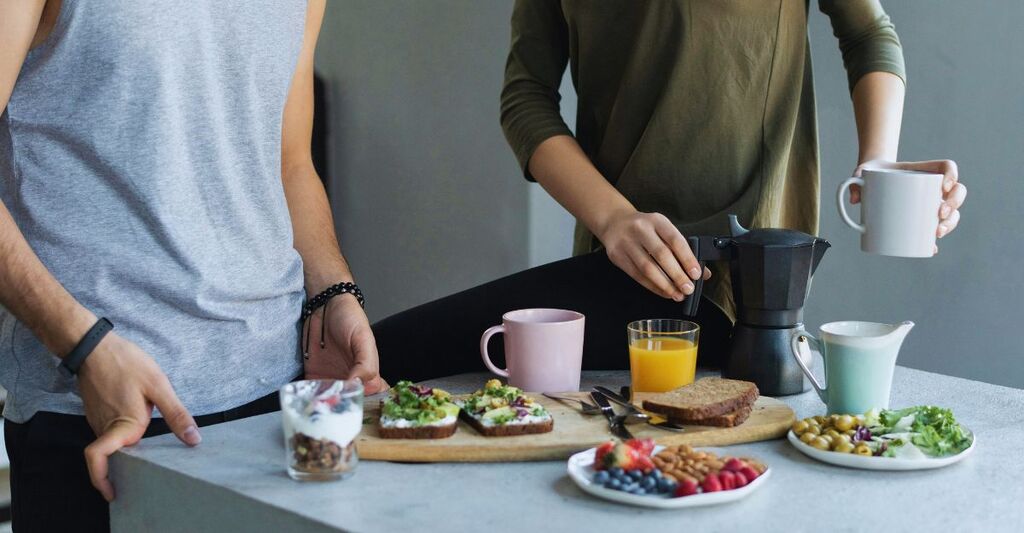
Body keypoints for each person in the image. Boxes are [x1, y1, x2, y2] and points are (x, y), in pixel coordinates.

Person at [374, 1, 967, 382]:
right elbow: (525, 98)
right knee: (388, 363)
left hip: (749, 284)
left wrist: (879, 169)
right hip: (620, 262)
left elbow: (868, 33)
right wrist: (613, 220)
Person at [0, 1, 384, 531]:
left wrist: (332, 292)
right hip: (102, 403)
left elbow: (290, 161)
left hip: (273, 403)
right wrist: (84, 347)